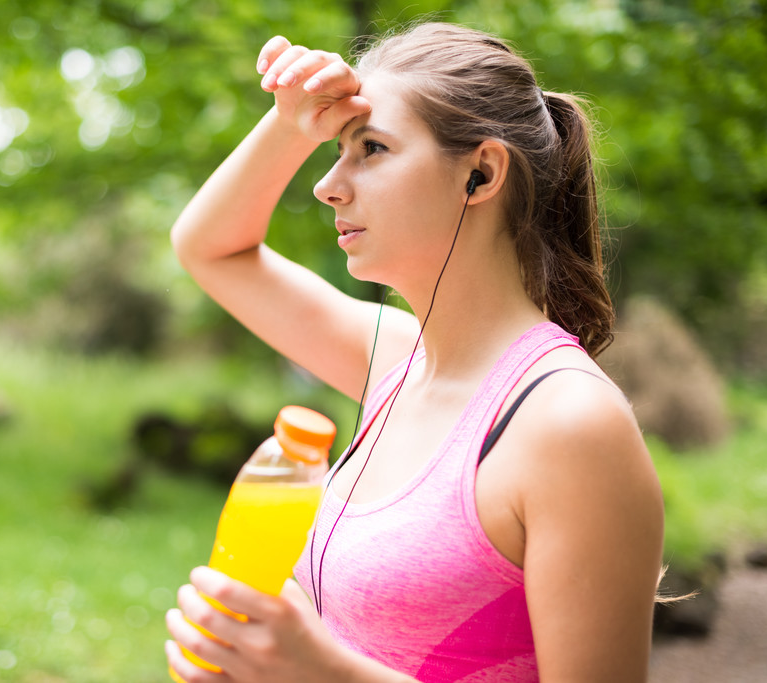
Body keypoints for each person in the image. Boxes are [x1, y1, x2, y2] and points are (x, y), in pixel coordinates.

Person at [164, 21, 664, 683]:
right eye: (337, 149)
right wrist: (291, 121)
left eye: (370, 148)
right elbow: (210, 248)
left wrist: (322, 672)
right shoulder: (396, 361)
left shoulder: (568, 424)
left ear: (479, 173)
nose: (327, 185)